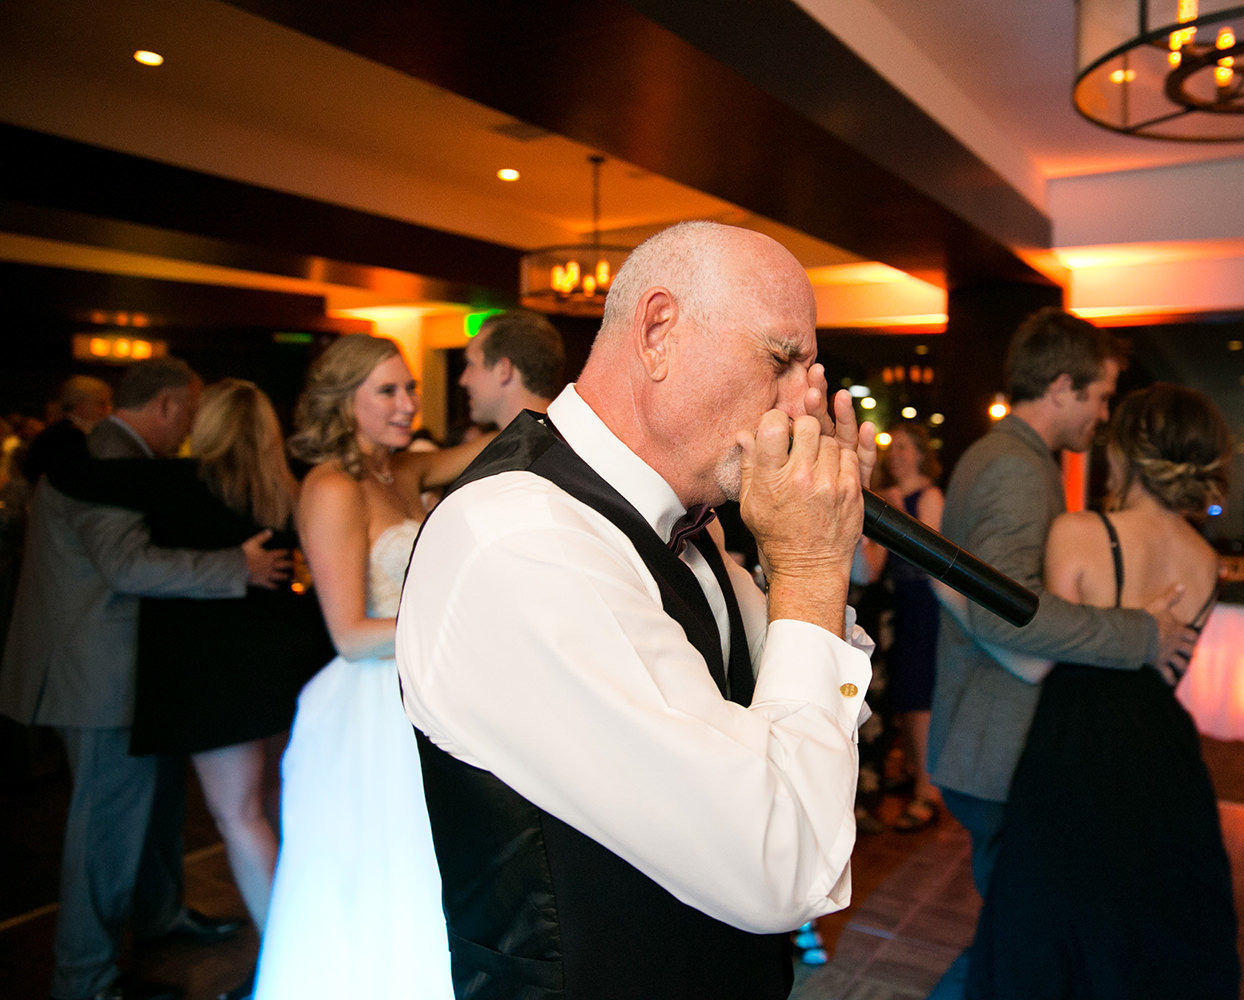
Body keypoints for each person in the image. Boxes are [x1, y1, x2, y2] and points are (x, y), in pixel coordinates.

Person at [396, 220, 877, 1000]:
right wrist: (813, 566)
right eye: (783, 360)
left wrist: (812, 552)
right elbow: (781, 863)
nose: (804, 407)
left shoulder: (688, 527)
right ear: (658, 332)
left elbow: (796, 717)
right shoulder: (521, 539)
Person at [925, 307, 1196, 998]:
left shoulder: (1013, 457)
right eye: (1101, 396)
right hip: (996, 743)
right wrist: (1139, 633)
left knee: (1017, 937)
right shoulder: (1017, 469)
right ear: (1063, 387)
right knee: (1018, 944)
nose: (1103, 415)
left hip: (992, 737)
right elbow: (1005, 615)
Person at [0, 358, 288, 1000]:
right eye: (189, 414)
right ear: (165, 407)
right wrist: (235, 566)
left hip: (129, 670)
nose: (191, 432)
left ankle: (160, 920)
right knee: (105, 825)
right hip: (94, 673)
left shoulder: (115, 455)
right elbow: (127, 565)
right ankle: (85, 978)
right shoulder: (109, 460)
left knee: (151, 811)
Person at [46, 381, 333, 981]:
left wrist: (64, 430)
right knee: (282, 807)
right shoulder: (290, 485)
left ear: (207, 427)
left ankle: (293, 958)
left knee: (238, 816)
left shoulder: (178, 481)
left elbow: (76, 478)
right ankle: (314, 932)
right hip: (286, 665)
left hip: (213, 676)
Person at [968, 384, 1240, 999]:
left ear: (1128, 455)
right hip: (1164, 751)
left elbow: (1047, 652)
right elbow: (1169, 670)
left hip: (1074, 740)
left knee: (1050, 915)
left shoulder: (1079, 531)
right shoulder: (1205, 560)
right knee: (1148, 919)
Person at [253, 334, 492, 1000]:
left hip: (423, 685)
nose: (407, 403)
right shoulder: (332, 487)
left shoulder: (403, 470)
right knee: (391, 870)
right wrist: (455, 625)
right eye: (387, 391)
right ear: (343, 401)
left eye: (411, 387)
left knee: (437, 865)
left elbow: (492, 448)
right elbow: (350, 635)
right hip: (370, 706)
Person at [859, 420, 945, 830]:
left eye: (908, 447)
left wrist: (892, 511)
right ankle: (914, 773)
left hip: (921, 603)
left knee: (918, 698)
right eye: (894, 447)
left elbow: (931, 553)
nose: (899, 454)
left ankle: (927, 793)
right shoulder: (889, 495)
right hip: (893, 603)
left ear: (921, 453)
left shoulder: (928, 495)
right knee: (904, 696)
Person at [458, 308, 566, 431]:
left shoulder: (533, 447)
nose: (463, 380)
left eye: (471, 364)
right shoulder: (563, 439)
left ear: (503, 371)